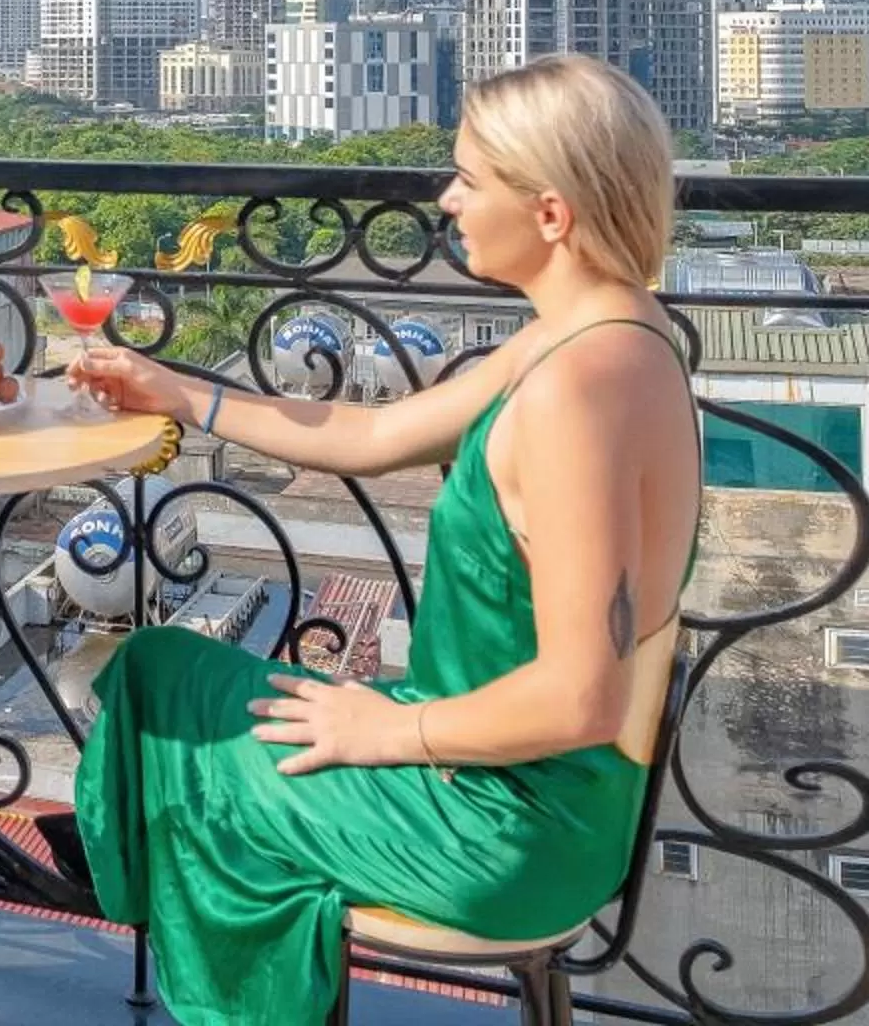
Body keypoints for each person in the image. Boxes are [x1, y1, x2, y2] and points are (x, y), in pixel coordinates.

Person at [41, 53, 700, 1026]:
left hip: (495, 823)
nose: (448, 198)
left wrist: (383, 728)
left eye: (471, 177)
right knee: (154, 670)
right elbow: (377, 434)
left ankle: (227, 976)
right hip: (523, 783)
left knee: (178, 744)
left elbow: (579, 694)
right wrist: (181, 390)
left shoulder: (574, 392)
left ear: (553, 213)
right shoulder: (607, 330)